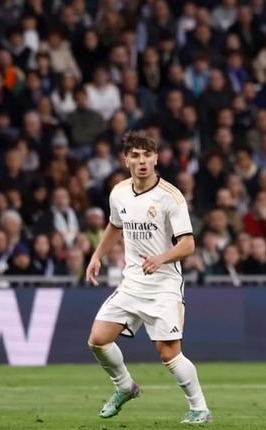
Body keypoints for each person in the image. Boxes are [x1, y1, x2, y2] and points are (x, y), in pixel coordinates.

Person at [84, 131, 210, 424]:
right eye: (136, 155)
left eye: (147, 155)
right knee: (98, 340)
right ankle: (125, 387)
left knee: (168, 353)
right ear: (125, 160)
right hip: (132, 282)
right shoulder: (119, 192)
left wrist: (161, 258)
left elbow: (188, 244)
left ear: (156, 158)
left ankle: (199, 408)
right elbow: (115, 226)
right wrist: (96, 256)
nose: (142, 161)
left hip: (164, 284)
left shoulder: (170, 197)